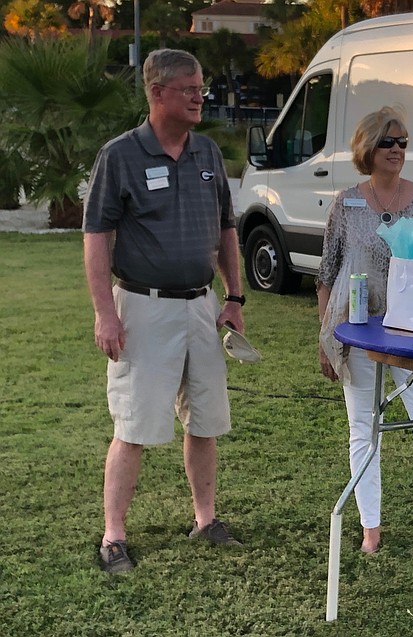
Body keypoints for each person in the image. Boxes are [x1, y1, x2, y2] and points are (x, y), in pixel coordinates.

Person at [83, 49, 245, 574]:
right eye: (189, 89)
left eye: (201, 88)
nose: (200, 97)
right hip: (142, 307)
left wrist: (234, 297)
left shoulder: (207, 153)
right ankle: (113, 536)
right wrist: (105, 314)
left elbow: (226, 228)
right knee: (133, 424)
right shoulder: (120, 155)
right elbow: (96, 238)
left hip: (202, 306)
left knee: (205, 420)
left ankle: (205, 520)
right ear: (157, 93)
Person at [317, 105, 413, 554]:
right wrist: (325, 339)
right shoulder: (346, 203)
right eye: (388, 141)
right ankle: (371, 528)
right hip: (358, 333)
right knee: (363, 430)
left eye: (403, 141)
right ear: (367, 147)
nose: (397, 149)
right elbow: (326, 274)